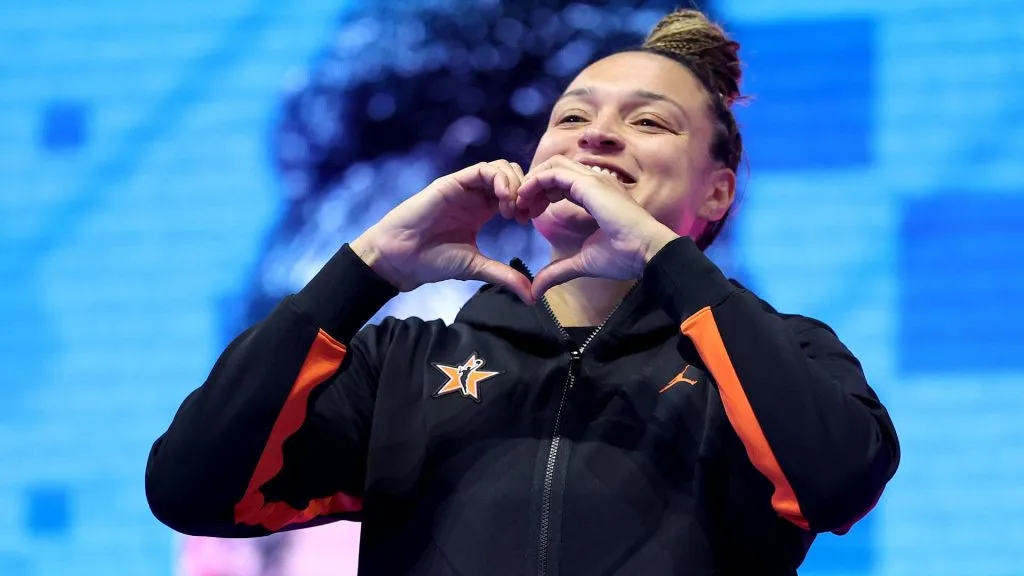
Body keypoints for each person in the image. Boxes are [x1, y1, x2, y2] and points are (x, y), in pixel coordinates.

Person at [146, 8, 900, 575]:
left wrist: (669, 265)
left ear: (717, 193)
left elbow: (834, 480)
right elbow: (193, 488)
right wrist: (367, 266)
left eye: (647, 121)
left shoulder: (780, 358)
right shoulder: (400, 363)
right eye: (571, 116)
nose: (596, 135)